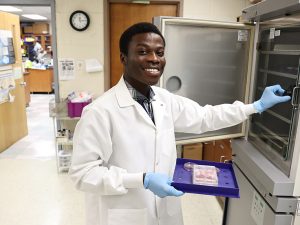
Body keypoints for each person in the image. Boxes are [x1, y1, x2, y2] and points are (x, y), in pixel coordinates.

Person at [69, 22, 290, 225]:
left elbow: (206, 117)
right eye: (143, 51)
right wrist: (141, 180)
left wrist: (255, 106)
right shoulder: (100, 112)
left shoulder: (163, 99)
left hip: (165, 211)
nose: (154, 58)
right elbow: (83, 174)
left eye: (160, 52)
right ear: (123, 58)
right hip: (124, 215)